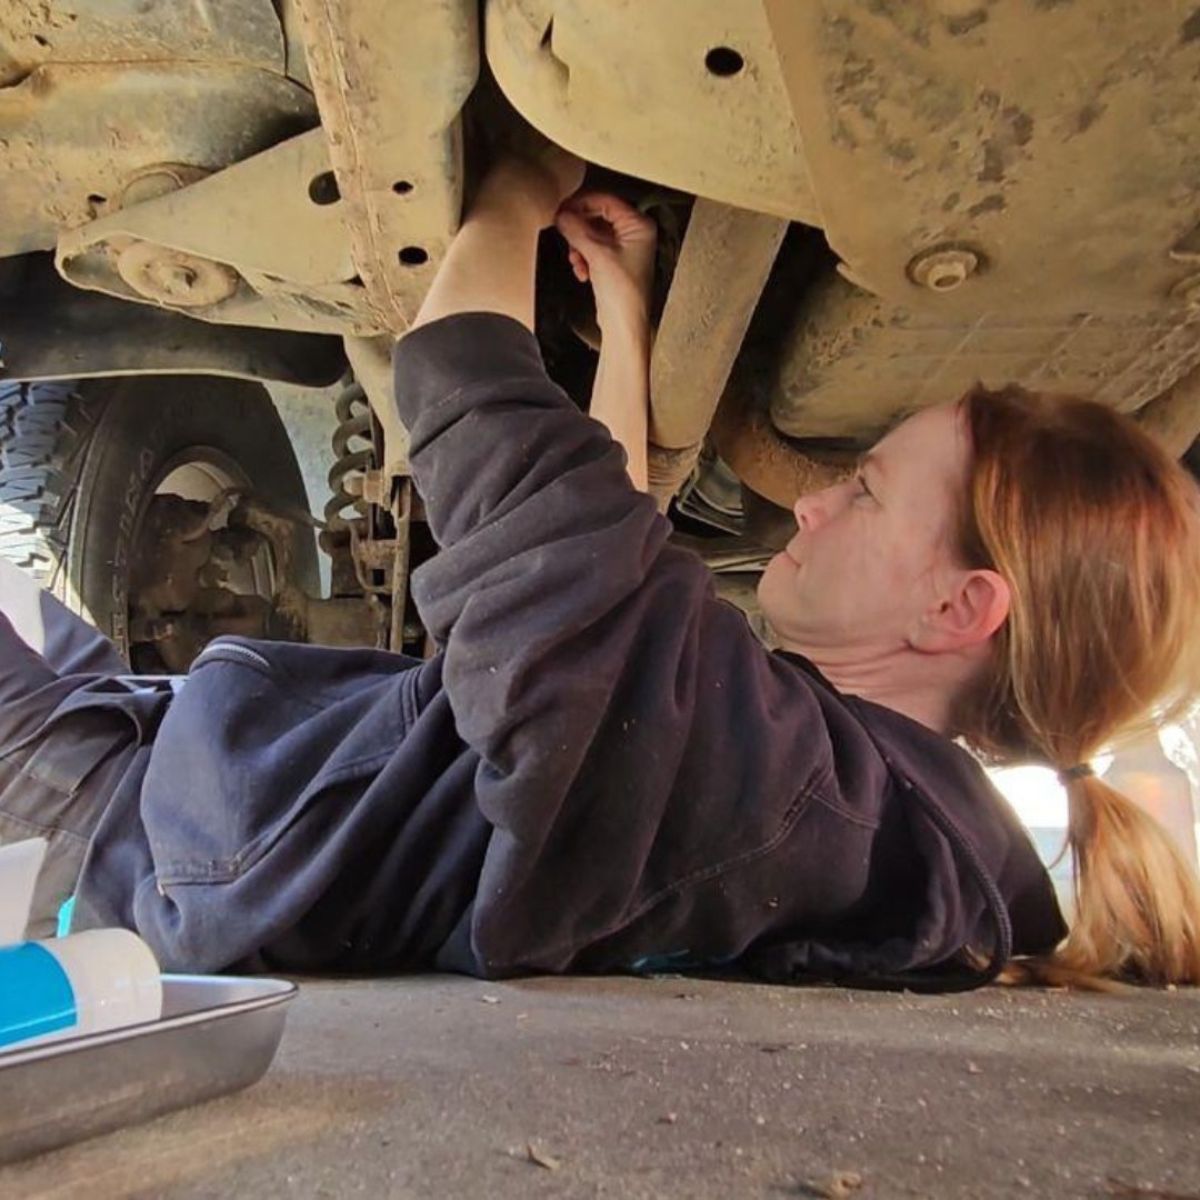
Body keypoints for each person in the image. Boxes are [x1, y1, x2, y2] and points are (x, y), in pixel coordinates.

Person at [2, 146, 1199, 990]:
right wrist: (626, 324)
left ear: (960, 607)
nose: (822, 497)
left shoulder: (814, 803)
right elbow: (628, 610)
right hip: (169, 772)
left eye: (870, 487)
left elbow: (508, 454)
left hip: (118, 838)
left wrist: (515, 184)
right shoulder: (841, 795)